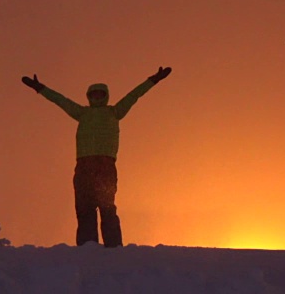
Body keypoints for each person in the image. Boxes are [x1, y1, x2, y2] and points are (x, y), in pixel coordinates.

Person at [21, 67, 172, 247]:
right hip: (84, 165)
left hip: (105, 165)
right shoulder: (82, 113)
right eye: (94, 94)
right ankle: (87, 247)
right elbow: (60, 100)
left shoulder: (115, 112)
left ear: (106, 96)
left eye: (101, 94)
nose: (97, 97)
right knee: (84, 208)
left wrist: (152, 80)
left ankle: (113, 247)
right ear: (89, 96)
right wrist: (40, 88)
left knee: (107, 207)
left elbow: (134, 95)